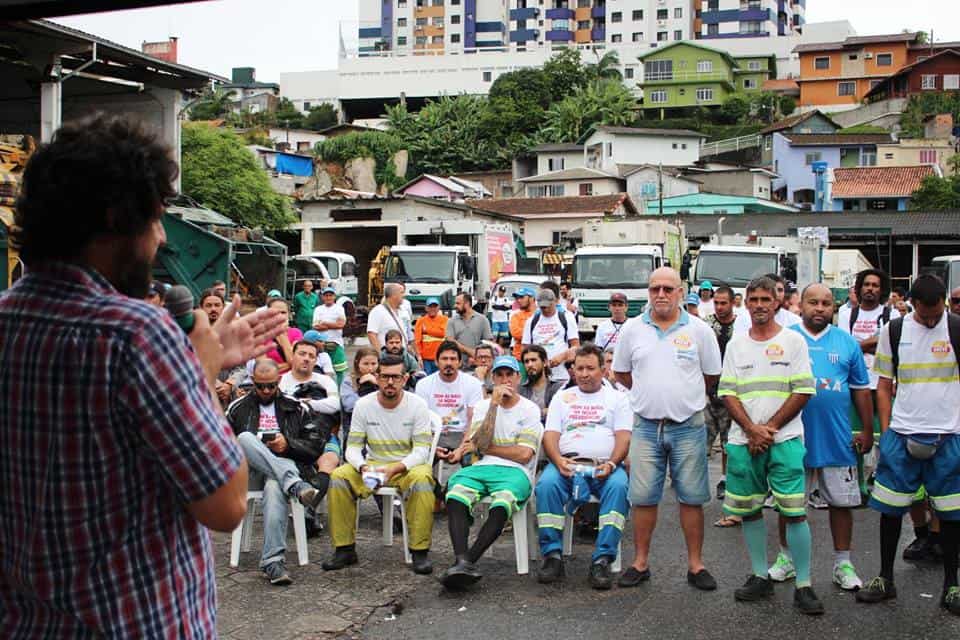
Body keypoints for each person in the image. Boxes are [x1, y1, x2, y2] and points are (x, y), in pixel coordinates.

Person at [0, 114, 284, 637]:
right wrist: (198, 372)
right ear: (115, 219)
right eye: (154, 220)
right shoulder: (134, 334)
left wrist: (202, 362)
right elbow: (225, 504)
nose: (159, 239)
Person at [612, 267, 721, 591]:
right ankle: (640, 562)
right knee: (643, 498)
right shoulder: (632, 329)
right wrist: (650, 396)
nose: (660, 294)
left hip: (688, 425)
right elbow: (621, 373)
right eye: (654, 288)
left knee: (691, 498)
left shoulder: (700, 330)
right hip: (645, 427)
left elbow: (711, 376)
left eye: (667, 289)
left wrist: (681, 397)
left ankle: (696, 565)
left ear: (680, 292)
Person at [856, 274, 960, 614]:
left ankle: (952, 585)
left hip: (949, 437)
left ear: (944, 302)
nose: (931, 320)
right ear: (911, 303)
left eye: (936, 314)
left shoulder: (957, 329)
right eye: (924, 314)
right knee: (889, 509)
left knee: (951, 515)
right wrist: (886, 433)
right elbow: (884, 385)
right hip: (902, 435)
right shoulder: (894, 331)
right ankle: (885, 579)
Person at [718, 276, 821, 615]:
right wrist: (750, 430)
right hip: (743, 441)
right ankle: (760, 575)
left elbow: (803, 389)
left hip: (785, 440)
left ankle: (803, 584)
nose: (760, 304)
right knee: (749, 510)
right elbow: (727, 392)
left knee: (794, 513)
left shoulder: (793, 341)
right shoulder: (736, 344)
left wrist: (769, 429)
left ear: (776, 302)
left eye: (766, 298)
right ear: (745, 303)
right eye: (754, 299)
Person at [774, 284, 873, 591]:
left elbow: (860, 389)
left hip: (837, 437)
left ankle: (842, 563)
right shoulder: (786, 341)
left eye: (826, 303)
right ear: (799, 305)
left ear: (835, 307)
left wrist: (867, 430)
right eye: (813, 302)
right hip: (793, 437)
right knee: (788, 504)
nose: (819, 308)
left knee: (841, 505)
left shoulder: (847, 343)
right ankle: (786, 558)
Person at [324, 355, 436, 575]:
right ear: (377, 377)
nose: (390, 382)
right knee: (338, 477)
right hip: (373, 464)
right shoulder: (363, 405)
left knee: (423, 481)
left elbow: (422, 450)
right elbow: (353, 448)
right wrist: (362, 466)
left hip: (407, 466)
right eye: (385, 377)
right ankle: (344, 548)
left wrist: (398, 467)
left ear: (404, 379)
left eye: (395, 377)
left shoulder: (418, 405)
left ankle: (419, 551)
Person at [439, 356, 543, 589]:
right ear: (493, 379)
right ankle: (463, 563)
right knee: (455, 495)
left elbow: (525, 455)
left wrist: (488, 447)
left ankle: (467, 561)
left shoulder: (529, 409)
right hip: (481, 467)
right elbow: (477, 443)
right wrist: (494, 405)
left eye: (510, 375)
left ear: (518, 378)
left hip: (515, 472)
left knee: (502, 503)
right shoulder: (483, 406)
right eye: (499, 375)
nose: (505, 380)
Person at [536, 345, 632, 589]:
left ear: (603, 369)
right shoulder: (562, 397)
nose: (584, 373)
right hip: (566, 464)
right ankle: (553, 556)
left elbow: (623, 437)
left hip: (605, 467)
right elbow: (550, 435)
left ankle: (602, 559)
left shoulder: (618, 399)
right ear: (572, 371)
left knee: (619, 488)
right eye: (579, 368)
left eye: (590, 368)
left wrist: (612, 463)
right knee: (546, 485)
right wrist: (557, 461)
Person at [226, 359, 330, 585]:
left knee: (275, 485)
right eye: (260, 386)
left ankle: (273, 562)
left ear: (279, 381)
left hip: (286, 466)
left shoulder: (296, 406)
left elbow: (315, 445)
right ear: (252, 382)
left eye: (271, 386)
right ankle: (296, 486)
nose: (265, 391)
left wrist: (288, 445)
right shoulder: (238, 408)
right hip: (250, 473)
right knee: (244, 438)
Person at [836, 269, 899, 511]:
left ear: (881, 289)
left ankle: (883, 486)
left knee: (886, 438)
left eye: (875, 285)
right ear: (859, 288)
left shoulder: (890, 313)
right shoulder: (846, 313)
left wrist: (859, 346)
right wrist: (870, 344)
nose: (871, 289)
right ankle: (859, 487)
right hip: (855, 385)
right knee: (856, 438)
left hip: (881, 384)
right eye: (867, 284)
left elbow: (886, 341)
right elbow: (845, 344)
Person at [703, 286, 738, 519]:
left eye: (724, 303)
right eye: (716, 303)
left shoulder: (740, 326)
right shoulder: (706, 325)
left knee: (728, 442)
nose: (719, 307)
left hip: (730, 390)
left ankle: (725, 480)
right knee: (701, 441)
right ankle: (695, 482)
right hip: (706, 391)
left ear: (733, 303)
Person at [415, 340, 483, 457]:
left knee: (472, 460)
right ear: (436, 362)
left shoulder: (473, 384)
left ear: (460, 362)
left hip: (462, 435)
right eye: (444, 359)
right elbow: (421, 420)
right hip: (434, 434)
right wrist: (432, 446)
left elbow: (473, 419)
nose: (449, 363)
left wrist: (461, 449)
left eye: (453, 359)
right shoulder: (423, 384)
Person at [523, 289, 580, 385]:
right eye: (542, 307)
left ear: (555, 302)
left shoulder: (567, 317)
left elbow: (576, 347)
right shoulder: (531, 321)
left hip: (561, 376)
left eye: (547, 306)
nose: (545, 309)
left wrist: (562, 357)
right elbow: (525, 348)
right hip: (539, 377)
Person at [733, 273, 800, 334]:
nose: (777, 294)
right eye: (772, 290)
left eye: (780, 290)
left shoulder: (795, 321)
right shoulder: (743, 318)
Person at [339, 346, 380, 446]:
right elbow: (349, 406)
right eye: (366, 364)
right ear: (358, 363)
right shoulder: (349, 381)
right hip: (354, 431)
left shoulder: (382, 379)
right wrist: (364, 389)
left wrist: (377, 385)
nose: (370, 368)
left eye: (373, 364)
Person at [519, 345, 565, 424]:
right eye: (526, 361)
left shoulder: (558, 388)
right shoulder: (520, 390)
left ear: (545, 362)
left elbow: (561, 413)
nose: (530, 364)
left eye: (533, 360)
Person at [446, 292, 493, 366]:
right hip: (457, 365)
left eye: (458, 303)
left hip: (478, 365)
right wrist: (471, 352)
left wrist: (477, 355)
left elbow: (488, 343)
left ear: (467, 304)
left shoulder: (482, 320)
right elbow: (450, 341)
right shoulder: (451, 321)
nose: (455, 306)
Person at [312, 286, 348, 384]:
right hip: (321, 344)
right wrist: (334, 324)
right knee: (321, 370)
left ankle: (339, 391)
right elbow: (315, 326)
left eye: (330, 295)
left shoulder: (339, 308)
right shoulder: (318, 309)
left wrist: (325, 324)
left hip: (336, 343)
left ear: (334, 296)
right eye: (326, 295)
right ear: (322, 297)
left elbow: (341, 325)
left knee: (340, 370)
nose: (328, 297)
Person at [366, 283, 408, 353]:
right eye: (401, 293)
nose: (404, 295)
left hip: (401, 356)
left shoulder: (403, 311)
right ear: (393, 295)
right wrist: (381, 355)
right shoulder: (378, 311)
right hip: (387, 358)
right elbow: (372, 334)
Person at [264, 298, 302, 374]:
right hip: (271, 383)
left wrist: (282, 334)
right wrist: (291, 364)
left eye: (283, 312)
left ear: (289, 314)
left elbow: (297, 363)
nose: (279, 316)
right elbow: (264, 370)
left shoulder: (296, 333)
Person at [415, 297, 448, 375]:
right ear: (426, 308)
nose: (432, 309)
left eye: (435, 306)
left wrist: (427, 330)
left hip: (441, 357)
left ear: (438, 308)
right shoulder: (420, 321)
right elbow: (417, 340)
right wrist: (419, 356)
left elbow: (443, 333)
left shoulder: (444, 319)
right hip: (426, 359)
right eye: (430, 306)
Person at [509, 287, 536, 360]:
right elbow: (516, 334)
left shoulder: (540, 314)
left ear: (531, 298)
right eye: (517, 298)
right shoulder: (515, 316)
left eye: (521, 297)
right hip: (519, 358)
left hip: (538, 357)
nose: (518, 300)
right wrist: (536, 333)